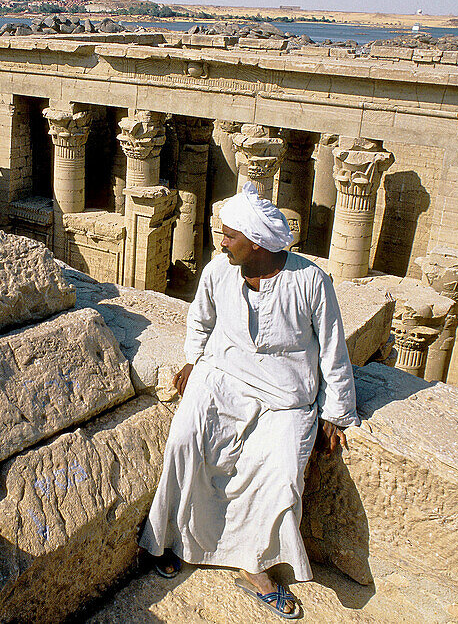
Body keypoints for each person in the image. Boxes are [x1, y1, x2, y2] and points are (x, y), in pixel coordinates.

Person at [139, 182, 359, 620]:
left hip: (286, 392)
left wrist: (335, 411)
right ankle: (169, 540)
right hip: (223, 374)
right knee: (184, 440)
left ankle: (255, 567)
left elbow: (334, 348)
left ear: (256, 242)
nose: (220, 243)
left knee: (281, 471)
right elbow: (199, 321)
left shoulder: (309, 281)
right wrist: (191, 362)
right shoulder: (218, 272)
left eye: (229, 236)